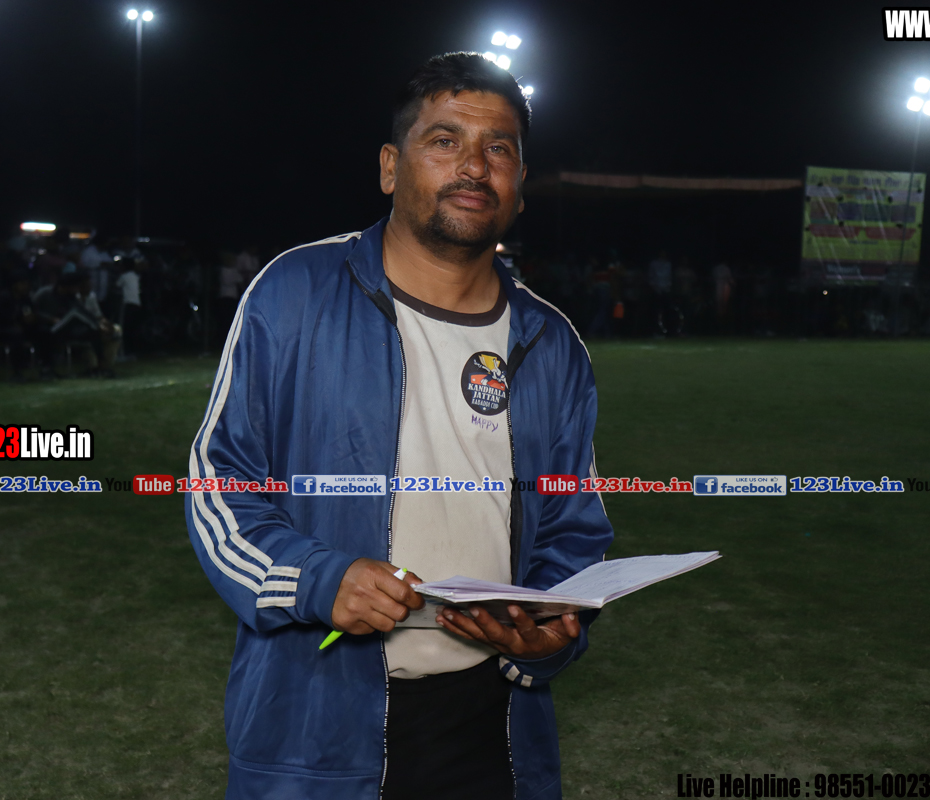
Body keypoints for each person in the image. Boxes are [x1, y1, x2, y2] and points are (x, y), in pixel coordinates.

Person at [185, 52, 612, 800]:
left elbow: (573, 532)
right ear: (391, 167)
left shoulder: (553, 343)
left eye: (499, 149)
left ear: (519, 184)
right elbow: (219, 487)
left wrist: (546, 630)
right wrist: (319, 579)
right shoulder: (295, 291)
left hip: (494, 732)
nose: (474, 166)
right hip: (315, 723)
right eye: (445, 140)